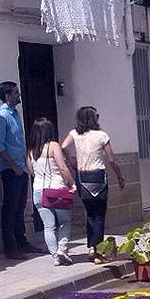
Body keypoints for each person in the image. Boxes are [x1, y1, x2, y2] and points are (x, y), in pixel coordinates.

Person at [62, 106, 125, 263]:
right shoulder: (101, 135)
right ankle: (97, 250)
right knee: (99, 215)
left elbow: (63, 146)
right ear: (93, 118)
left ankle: (91, 246)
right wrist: (119, 176)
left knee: (90, 213)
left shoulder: (74, 133)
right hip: (97, 175)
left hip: (82, 176)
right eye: (97, 115)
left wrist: (72, 162)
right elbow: (111, 160)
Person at [0, 81, 42, 258]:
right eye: (15, 93)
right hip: (11, 170)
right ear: (7, 96)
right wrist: (13, 166)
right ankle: (10, 247)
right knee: (10, 208)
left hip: (20, 167)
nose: (19, 96)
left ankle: (22, 241)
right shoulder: (1, 117)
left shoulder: (15, 114)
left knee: (20, 207)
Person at [27, 117, 75, 265]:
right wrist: (71, 183)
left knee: (48, 226)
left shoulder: (31, 151)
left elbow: (31, 171)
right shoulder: (53, 146)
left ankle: (55, 257)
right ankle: (62, 249)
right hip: (57, 190)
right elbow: (62, 167)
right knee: (64, 222)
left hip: (38, 191)